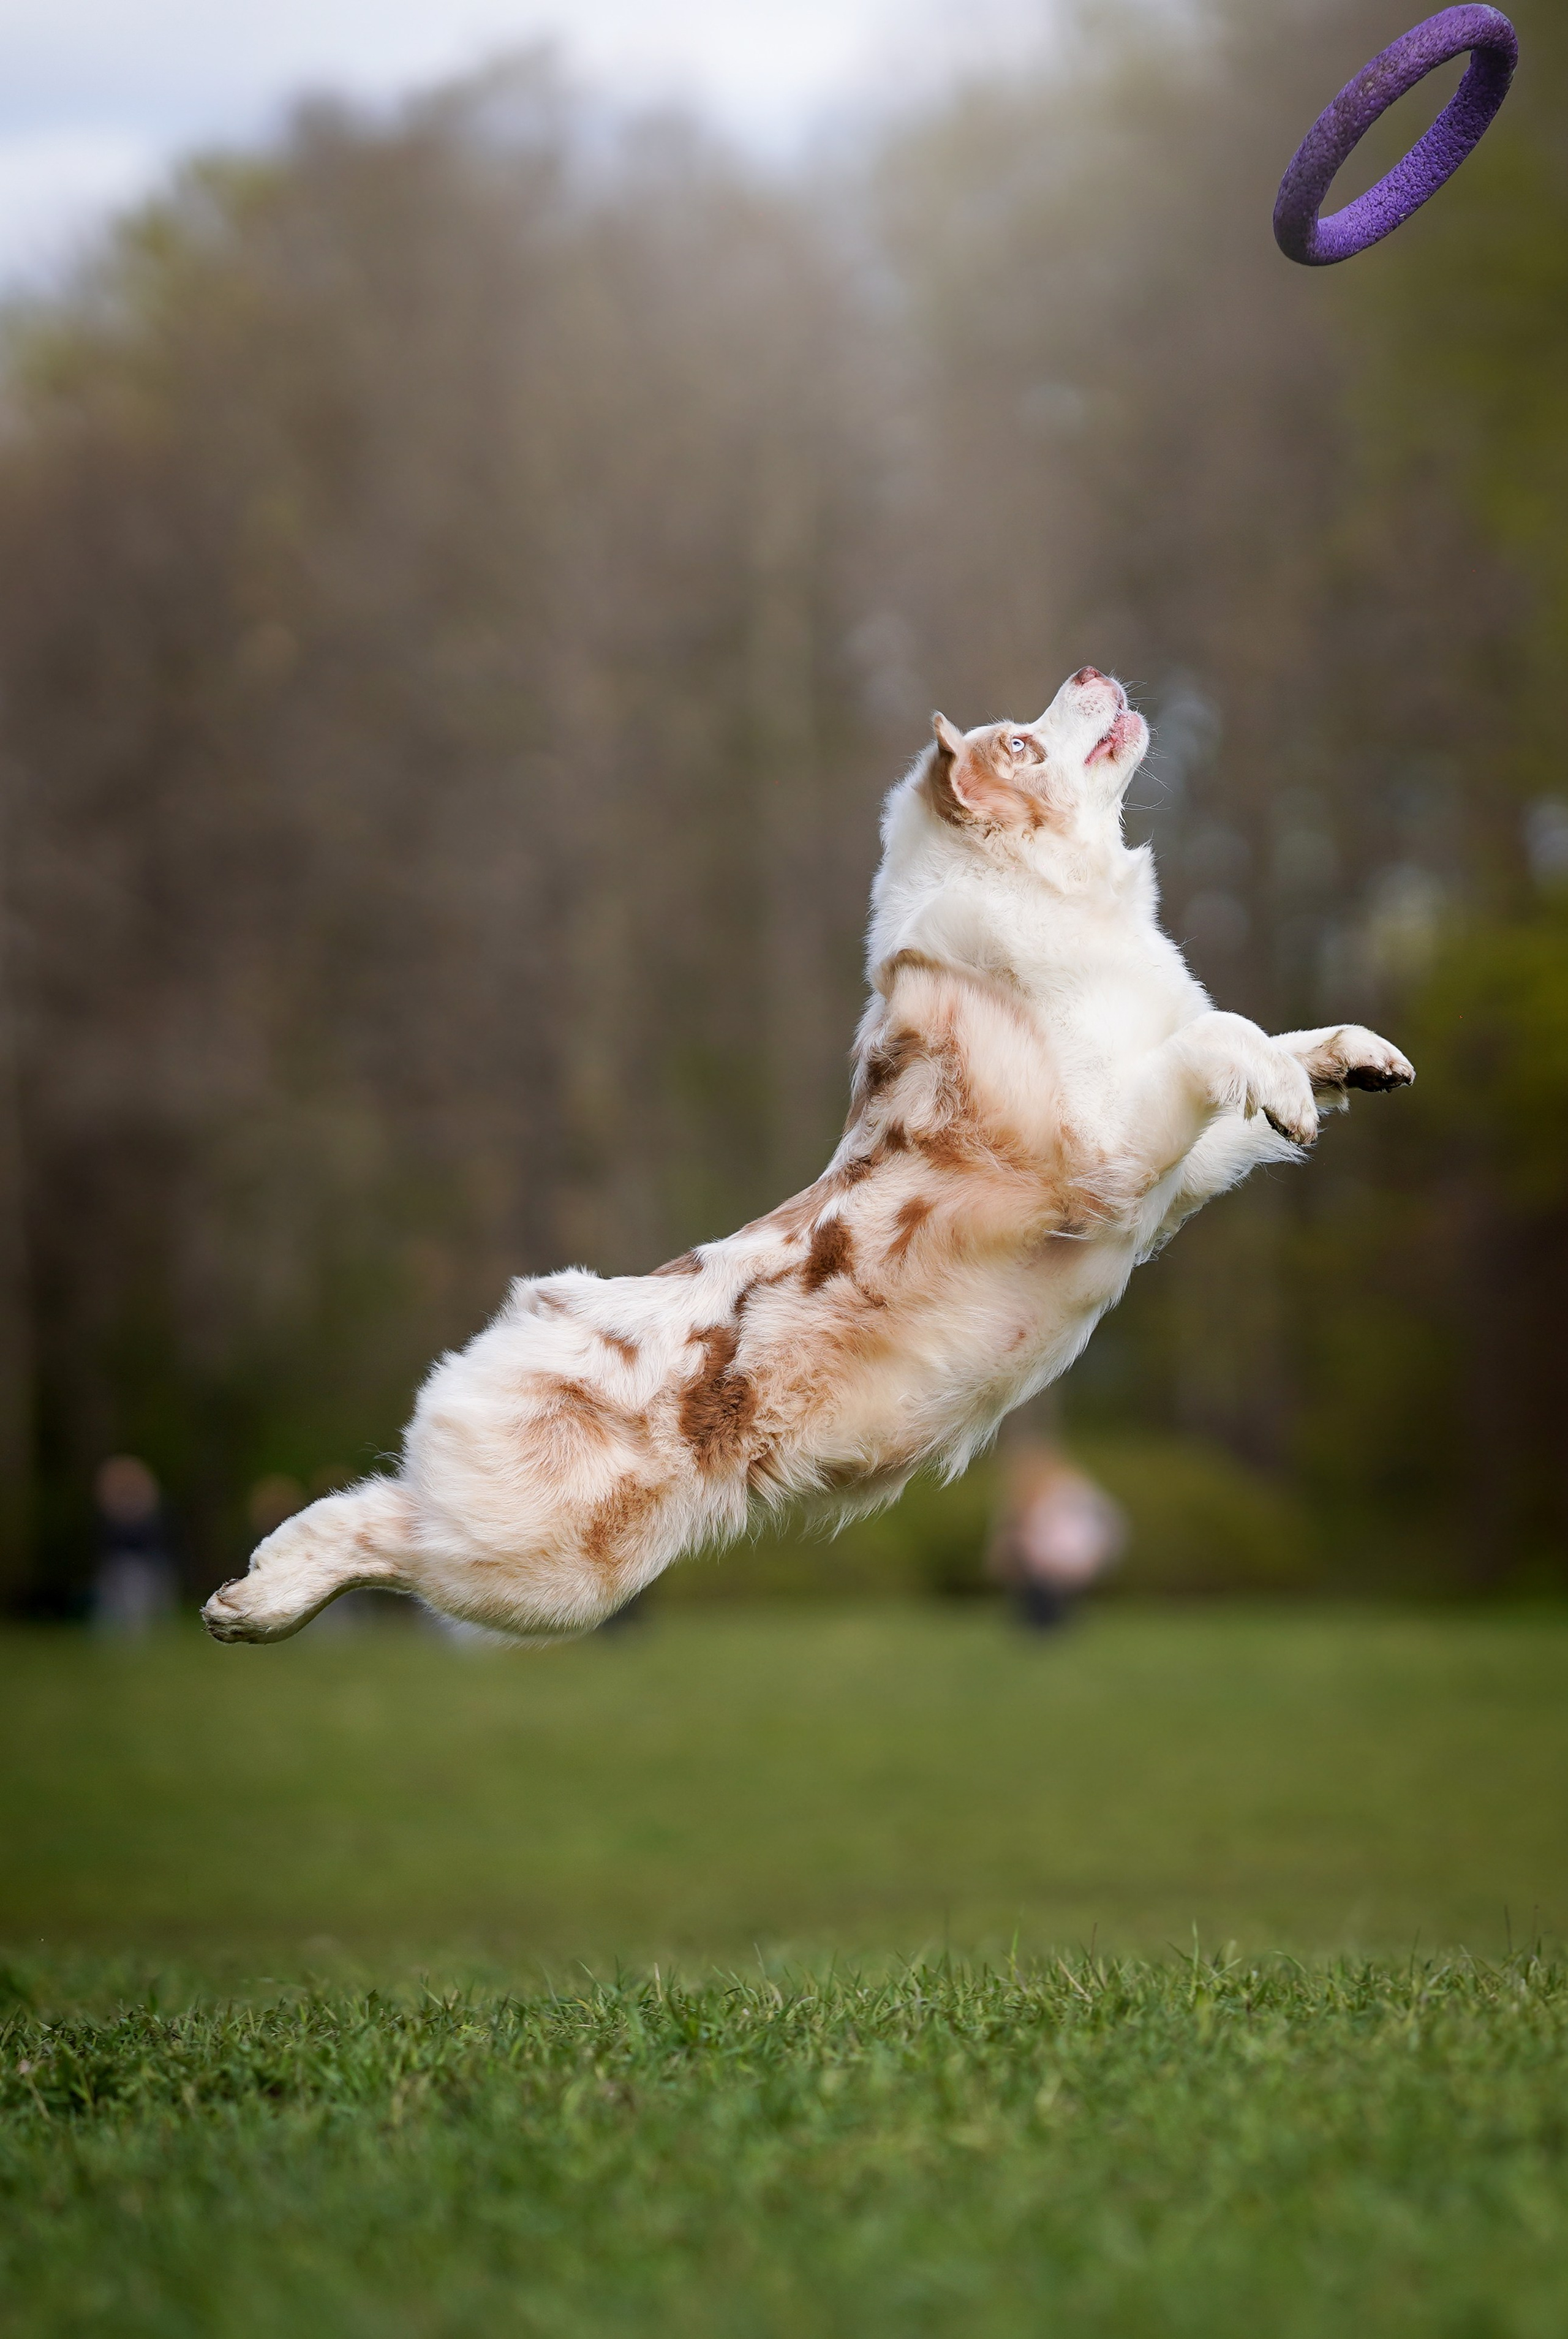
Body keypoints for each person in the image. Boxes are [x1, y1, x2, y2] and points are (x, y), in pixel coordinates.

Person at [989, 1438, 1126, 1631]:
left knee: (1031, 1567)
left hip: (1058, 1555)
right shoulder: (1074, 1488)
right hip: (1069, 1555)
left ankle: (1042, 1621)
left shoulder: (1054, 1493)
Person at [91, 1455, 178, 1635]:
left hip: (151, 1564)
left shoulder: (152, 1512)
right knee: (123, 1604)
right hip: (123, 1567)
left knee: (153, 1604)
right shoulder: (114, 1516)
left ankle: (151, 1636)